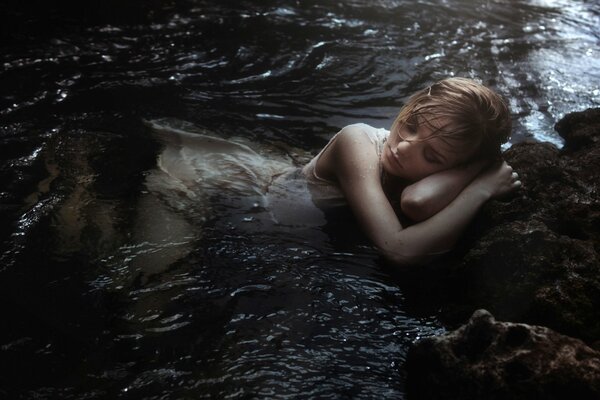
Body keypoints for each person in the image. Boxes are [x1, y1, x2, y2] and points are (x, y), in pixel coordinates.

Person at [301, 77, 521, 266]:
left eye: (431, 156)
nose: (404, 147)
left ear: (456, 167)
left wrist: (476, 167)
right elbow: (398, 249)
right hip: (271, 189)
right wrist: (480, 189)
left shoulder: (443, 171)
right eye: (411, 125)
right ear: (411, 104)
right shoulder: (356, 141)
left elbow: (417, 201)